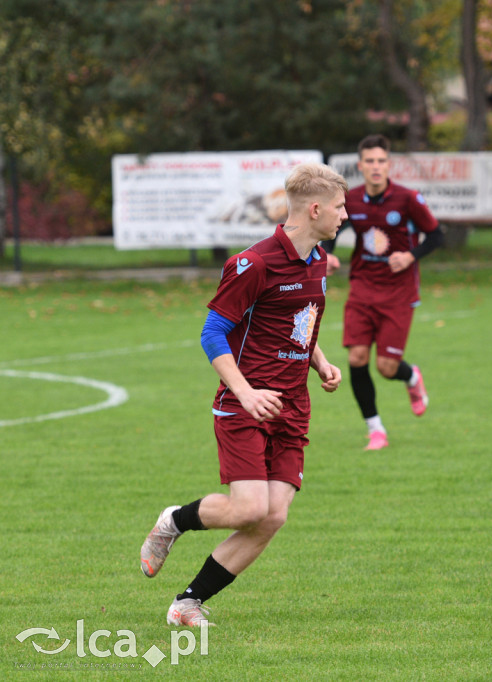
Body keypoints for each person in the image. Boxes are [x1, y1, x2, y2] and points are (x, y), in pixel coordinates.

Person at [139, 162, 348, 627]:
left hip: (292, 405)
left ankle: (186, 603)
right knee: (249, 508)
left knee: (272, 517)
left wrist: (320, 362)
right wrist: (247, 392)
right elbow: (213, 334)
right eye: (339, 207)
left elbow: (299, 323)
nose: (344, 215)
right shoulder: (253, 263)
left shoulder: (316, 259)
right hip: (243, 402)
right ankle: (174, 520)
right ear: (314, 209)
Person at [325, 134, 443, 451]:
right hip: (362, 287)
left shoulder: (407, 199)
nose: (376, 167)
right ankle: (375, 430)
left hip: (399, 292)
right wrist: (329, 254)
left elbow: (435, 236)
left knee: (386, 368)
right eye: (370, 161)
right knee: (357, 357)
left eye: (381, 161)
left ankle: (411, 377)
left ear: (388, 165)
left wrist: (410, 256)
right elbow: (329, 230)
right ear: (361, 166)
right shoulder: (351, 199)